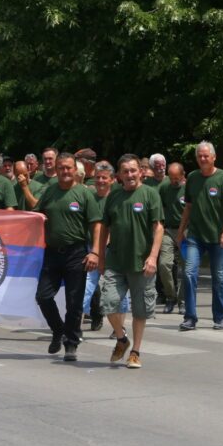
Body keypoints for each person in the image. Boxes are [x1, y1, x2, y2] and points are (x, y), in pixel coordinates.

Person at [34, 152, 102, 362]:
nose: (64, 171)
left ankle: (71, 343)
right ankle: (58, 330)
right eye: (61, 167)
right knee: (43, 296)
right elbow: (36, 214)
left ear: (75, 169)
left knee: (74, 303)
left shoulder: (84, 193)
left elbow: (96, 223)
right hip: (52, 253)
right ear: (56, 168)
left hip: (77, 254)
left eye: (68, 168)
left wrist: (95, 252)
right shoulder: (49, 191)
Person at [98, 155, 164, 369]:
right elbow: (104, 228)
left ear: (141, 172)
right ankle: (121, 338)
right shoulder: (113, 196)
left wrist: (153, 256)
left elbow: (158, 228)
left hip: (141, 263)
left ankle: (135, 351)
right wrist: (99, 256)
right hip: (115, 262)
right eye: (125, 171)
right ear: (119, 175)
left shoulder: (150, 195)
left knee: (140, 310)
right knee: (108, 302)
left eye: (133, 170)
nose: (130, 175)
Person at [176, 141, 223, 331]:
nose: (203, 159)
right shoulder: (193, 178)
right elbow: (188, 207)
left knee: (218, 277)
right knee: (189, 273)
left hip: (218, 238)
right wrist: (180, 231)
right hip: (195, 236)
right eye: (199, 156)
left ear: (213, 157)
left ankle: (219, 317)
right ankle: (190, 317)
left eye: (206, 156)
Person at [82, 161, 115, 331]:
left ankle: (119, 327)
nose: (100, 181)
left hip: (113, 248)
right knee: (88, 283)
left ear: (112, 180)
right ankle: (77, 319)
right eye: (98, 178)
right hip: (91, 247)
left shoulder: (116, 198)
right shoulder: (89, 197)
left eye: (104, 178)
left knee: (114, 287)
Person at [157, 163, 186, 314]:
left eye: (177, 177)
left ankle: (183, 300)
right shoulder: (164, 188)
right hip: (168, 230)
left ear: (183, 175)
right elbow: (159, 207)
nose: (174, 180)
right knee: (164, 264)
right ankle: (170, 296)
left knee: (187, 267)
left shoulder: (188, 189)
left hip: (186, 231)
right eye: (171, 177)